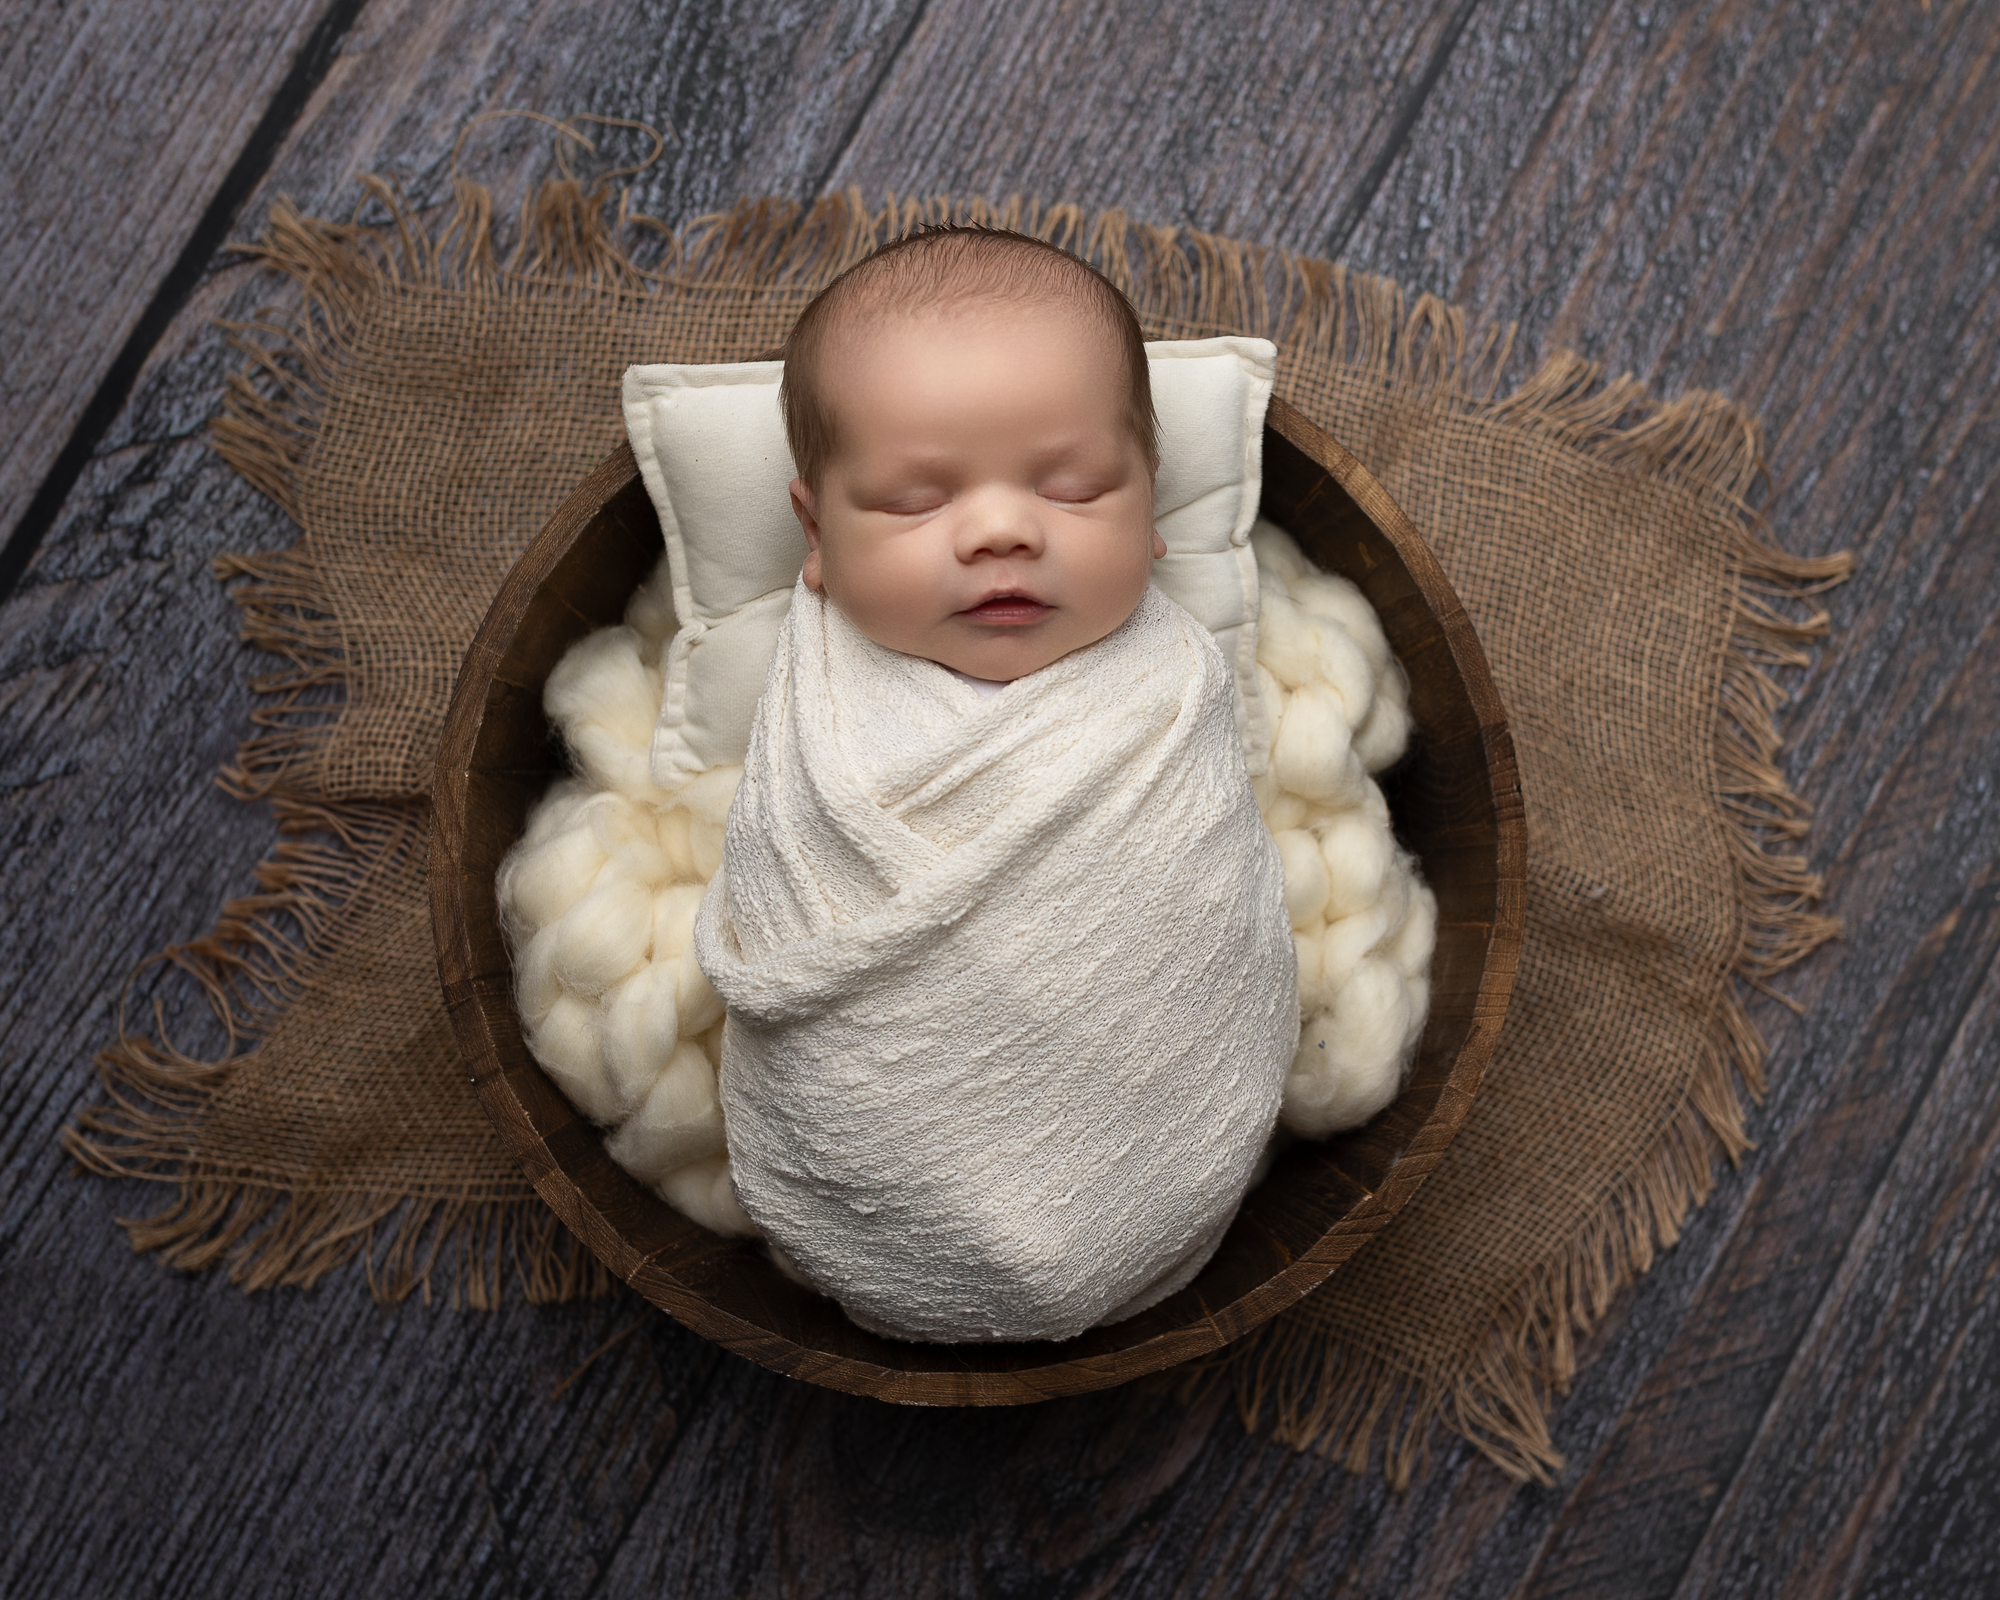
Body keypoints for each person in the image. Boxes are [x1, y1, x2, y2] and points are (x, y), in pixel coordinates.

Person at [691, 227, 1299, 1344]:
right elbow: (776, 870)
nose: (1004, 530)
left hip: (1154, 1144)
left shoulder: (1163, 690)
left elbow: (1204, 906)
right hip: (875, 1145)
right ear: (814, 534)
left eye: (1073, 490)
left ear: (1150, 512)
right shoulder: (821, 705)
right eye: (916, 502)